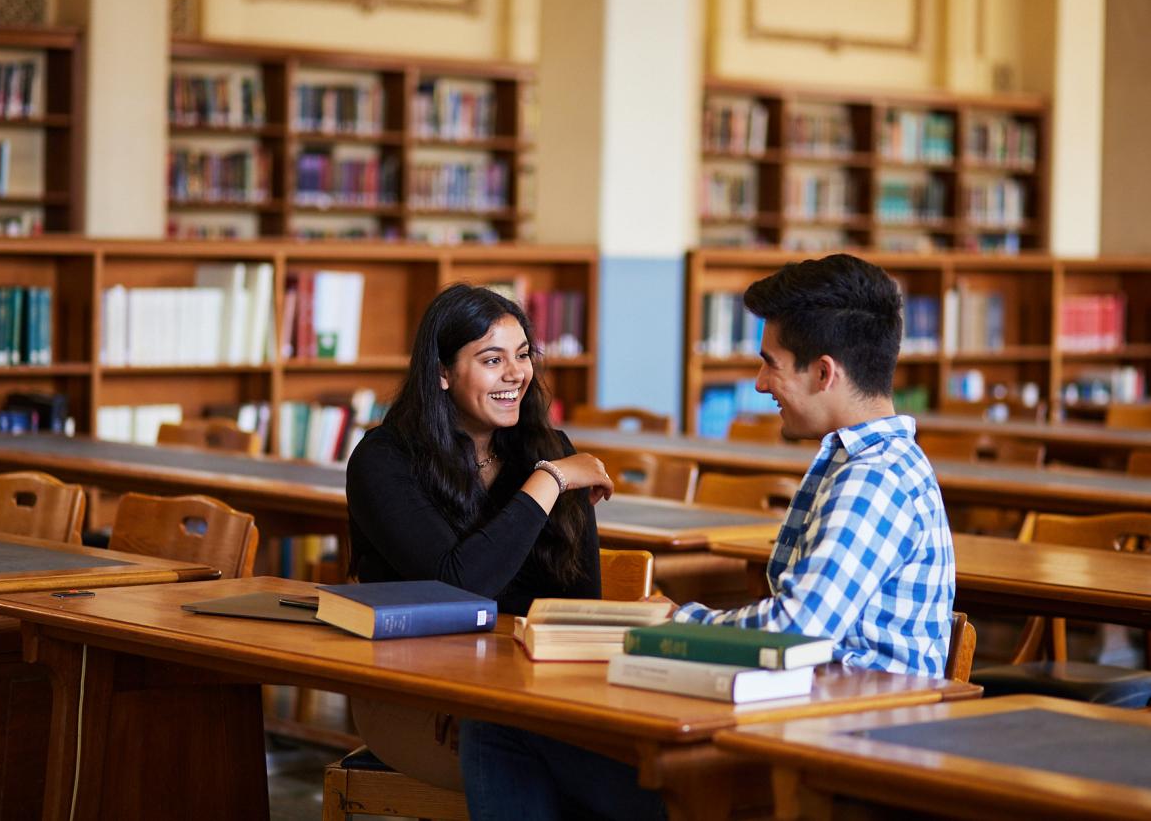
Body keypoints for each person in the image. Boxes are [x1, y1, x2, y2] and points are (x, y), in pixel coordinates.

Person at [457, 253, 955, 819]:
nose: (761, 382)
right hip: (808, 726)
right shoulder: (871, 462)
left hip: (839, 765)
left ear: (823, 373)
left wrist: (677, 621)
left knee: (503, 726)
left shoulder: (872, 479)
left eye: (771, 364)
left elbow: (797, 628)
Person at [346, 282, 614, 789]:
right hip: (416, 695)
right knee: (548, 764)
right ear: (442, 373)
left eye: (523, 355)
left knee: (628, 761)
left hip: (528, 690)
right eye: (493, 360)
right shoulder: (383, 459)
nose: (516, 374)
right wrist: (549, 480)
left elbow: (580, 603)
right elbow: (459, 585)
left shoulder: (547, 446)